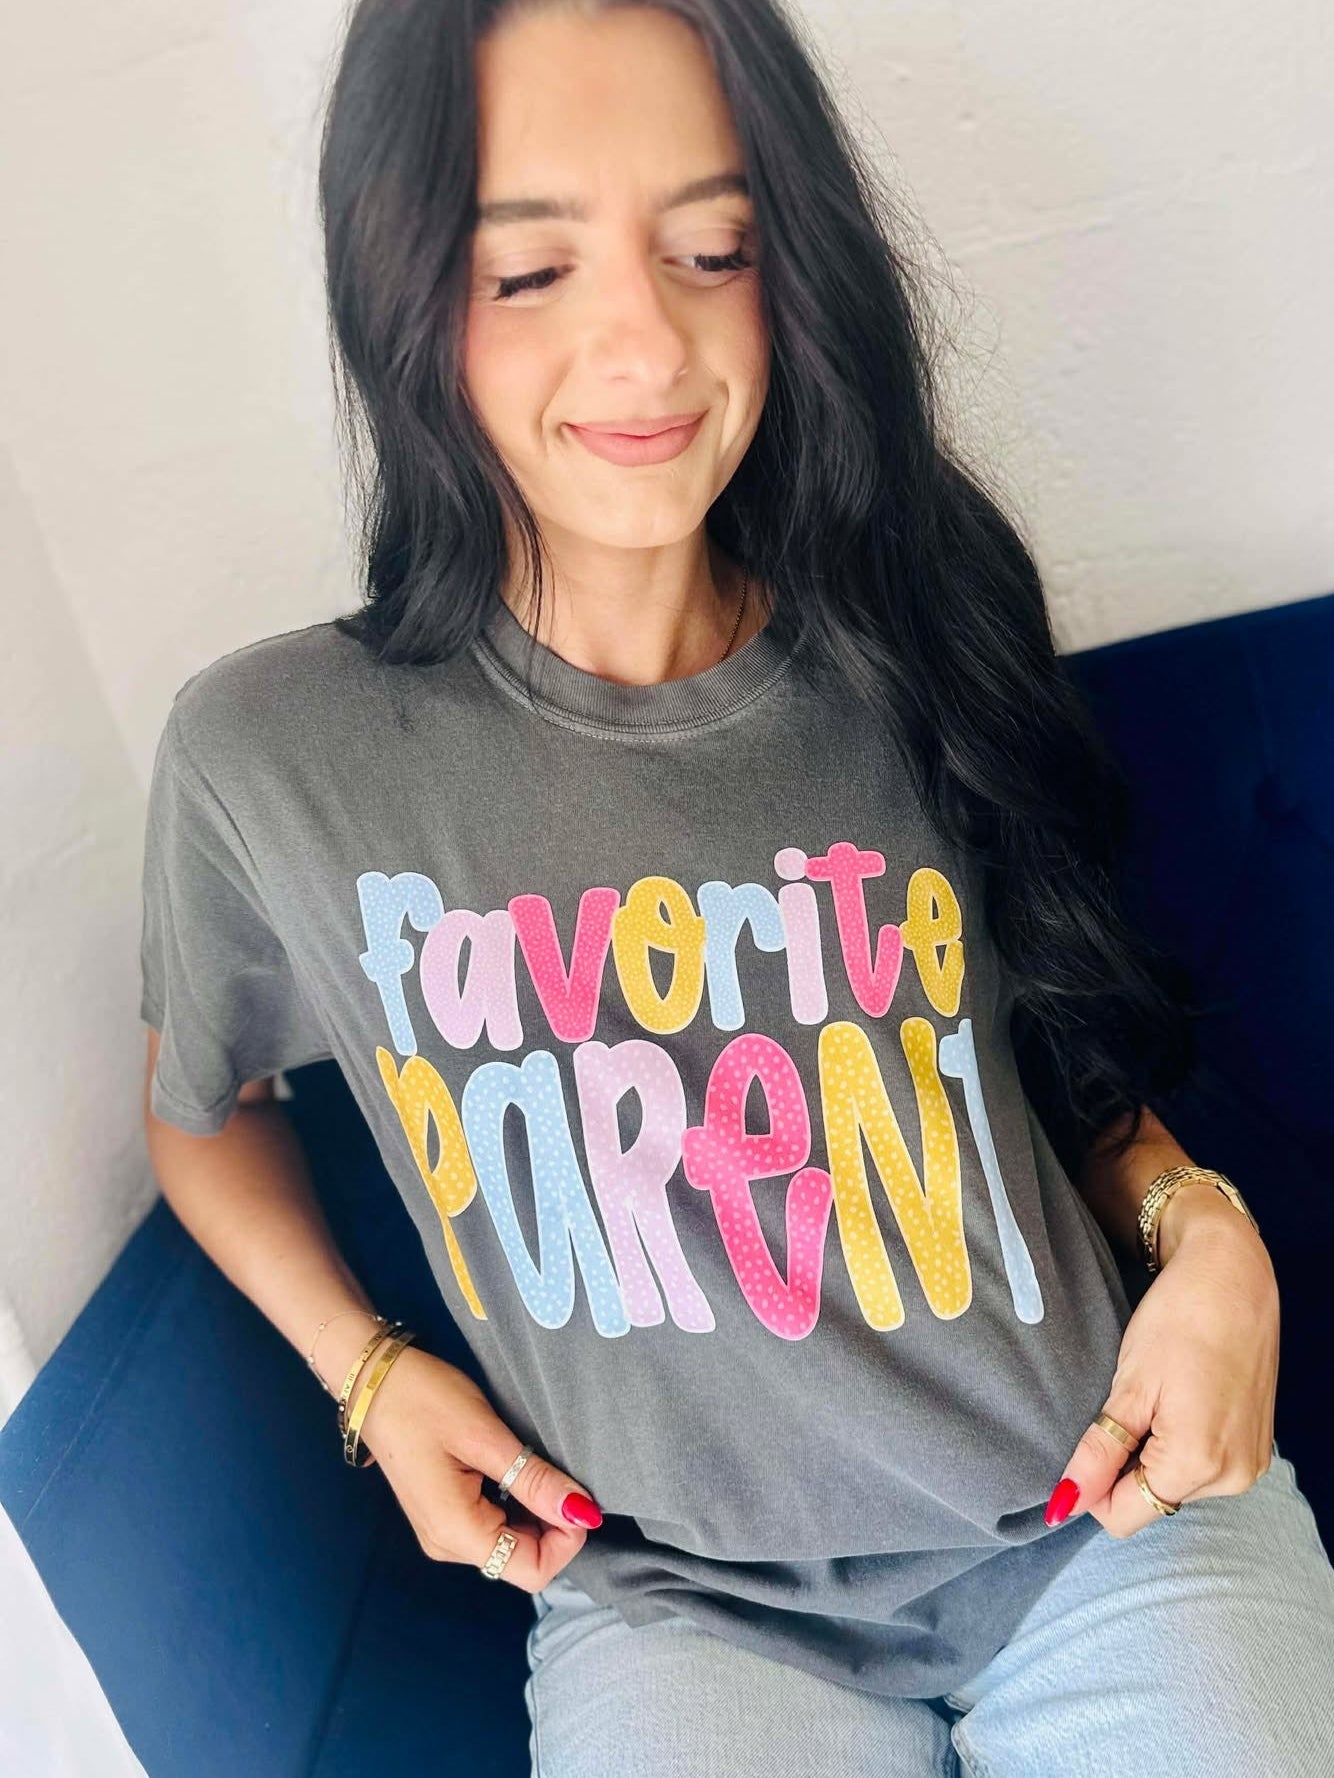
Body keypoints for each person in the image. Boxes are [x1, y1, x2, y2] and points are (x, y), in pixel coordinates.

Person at [139, 0, 1334, 1772]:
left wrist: (1209, 1235)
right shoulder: (272, 755)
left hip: (1104, 1524)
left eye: (715, 246)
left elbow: (1069, 1071)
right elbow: (197, 1101)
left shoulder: (922, 620)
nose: (648, 341)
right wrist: (370, 1376)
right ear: (403, 297)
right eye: (529, 272)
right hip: (675, 1606)